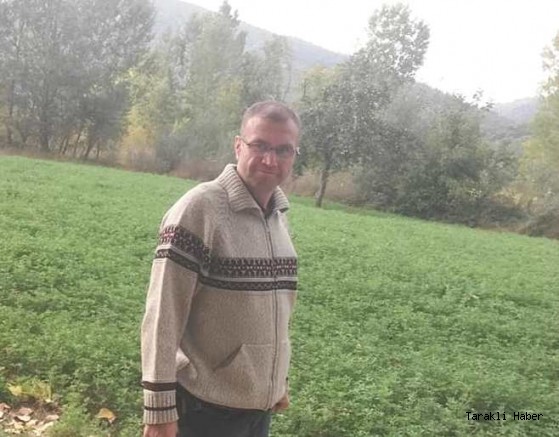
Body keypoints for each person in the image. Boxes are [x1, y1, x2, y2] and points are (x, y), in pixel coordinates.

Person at [141, 101, 300, 437]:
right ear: (238, 146)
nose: (270, 160)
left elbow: (276, 311)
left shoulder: (277, 218)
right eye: (260, 146)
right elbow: (162, 315)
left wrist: (277, 381)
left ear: (294, 155)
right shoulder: (200, 209)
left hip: (258, 411)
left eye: (283, 150)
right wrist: (159, 410)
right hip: (206, 412)